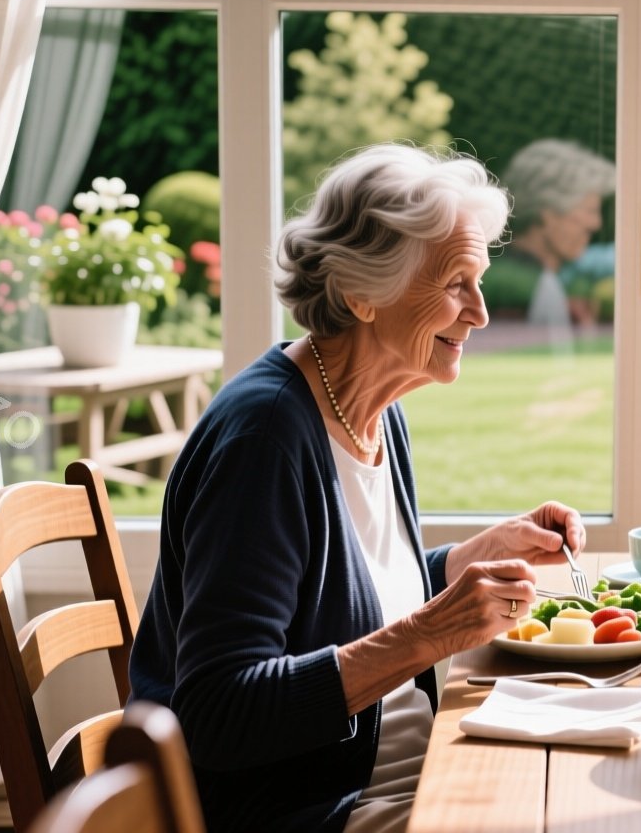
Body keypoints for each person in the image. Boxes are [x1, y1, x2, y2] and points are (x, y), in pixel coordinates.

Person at [129, 144, 587, 833]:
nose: (481, 314)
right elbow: (220, 714)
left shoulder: (371, 407)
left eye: (481, 281)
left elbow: (346, 602)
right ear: (360, 294)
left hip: (409, 768)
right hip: (313, 809)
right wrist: (431, 635)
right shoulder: (266, 440)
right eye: (457, 283)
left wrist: (467, 560)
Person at [500, 138, 615, 330]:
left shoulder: (536, 277)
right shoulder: (535, 287)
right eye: (590, 210)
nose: (596, 224)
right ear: (548, 212)